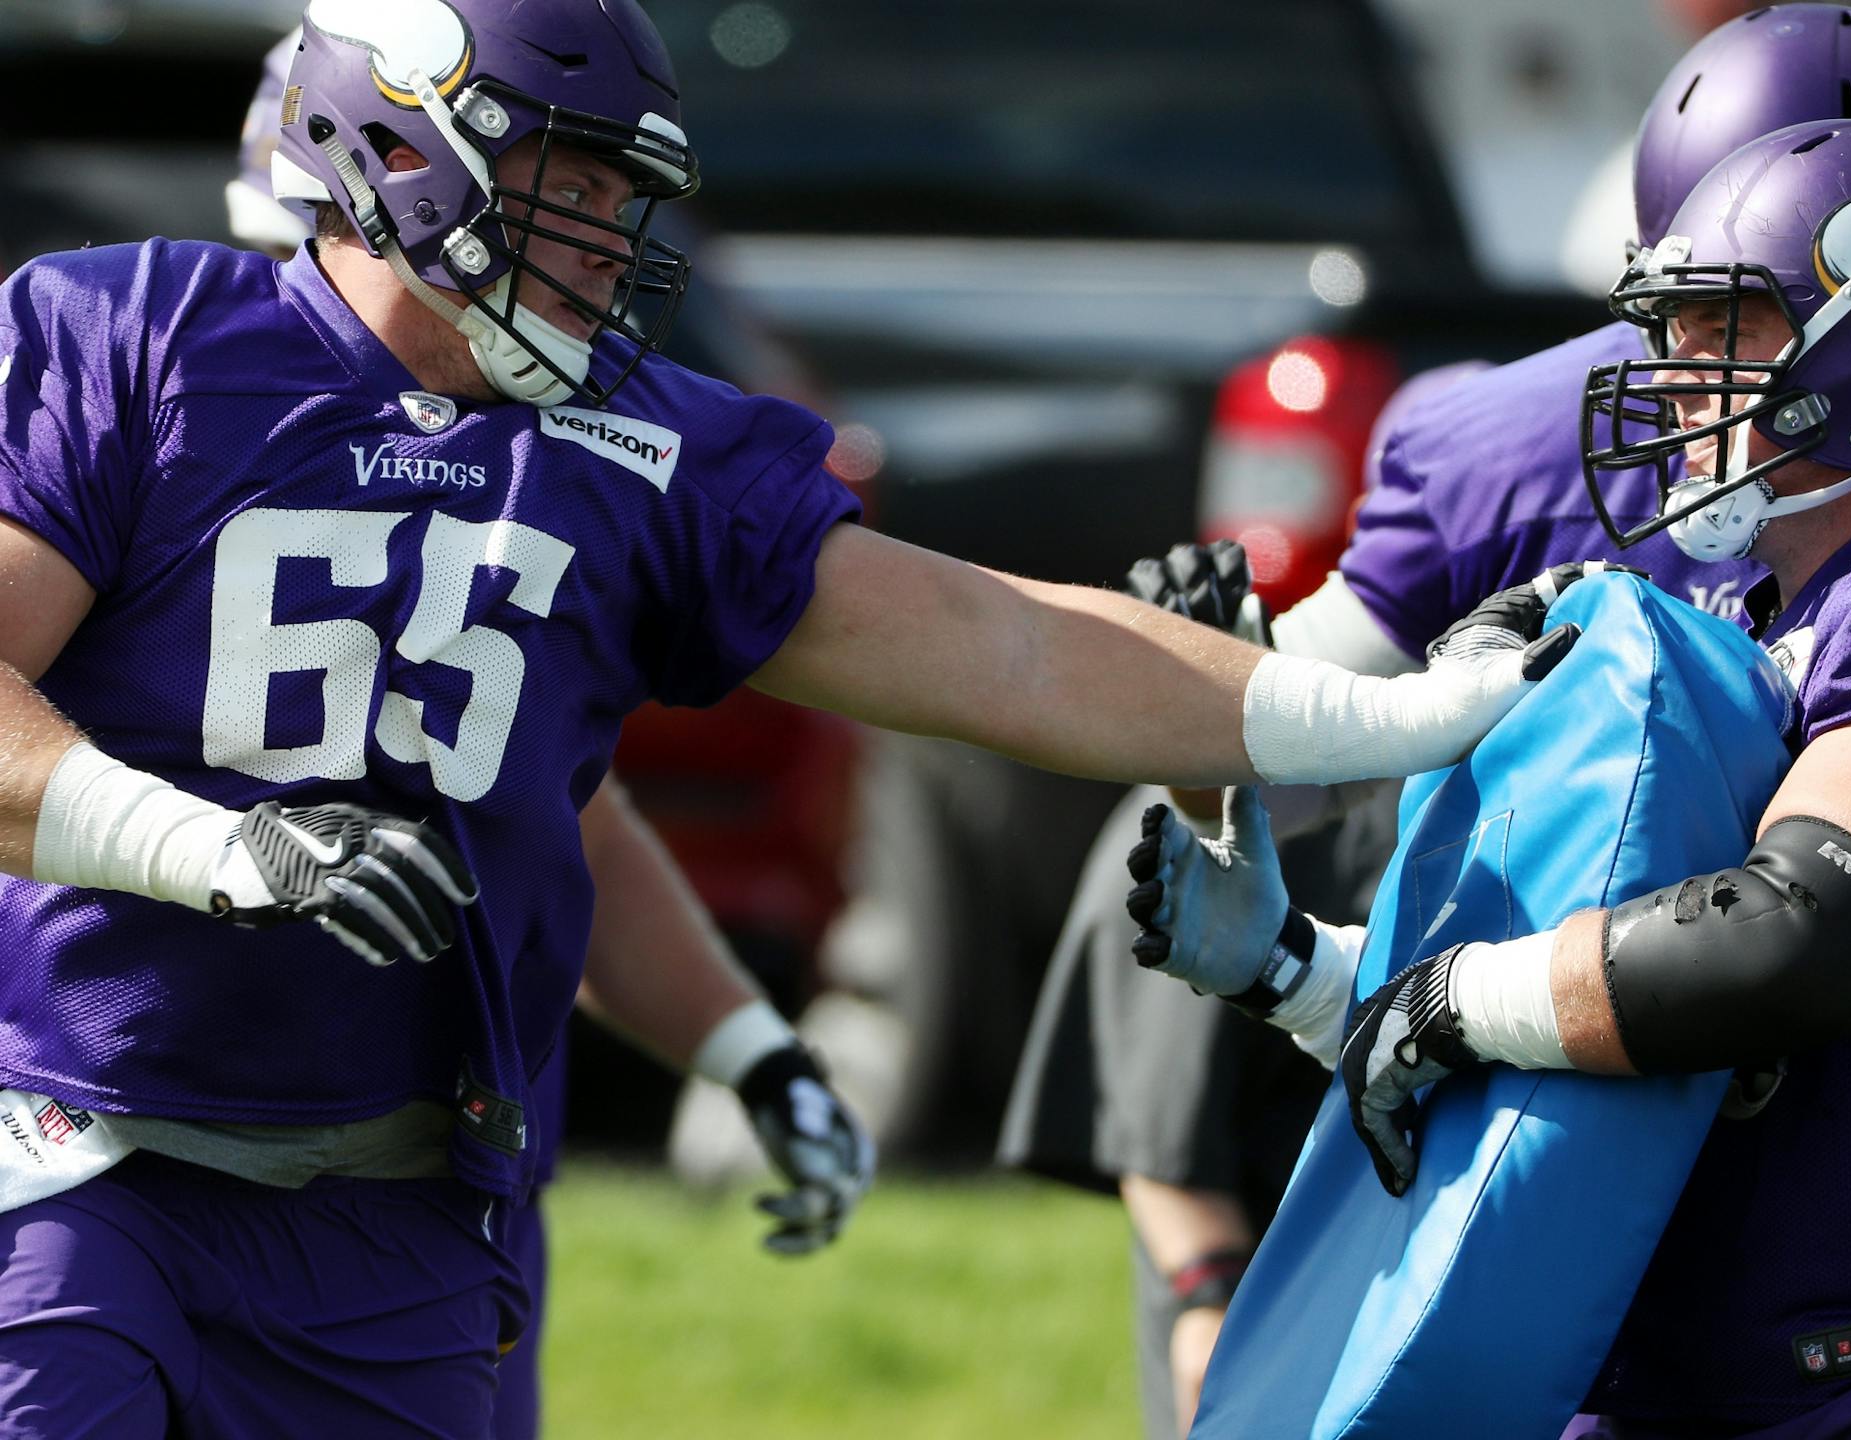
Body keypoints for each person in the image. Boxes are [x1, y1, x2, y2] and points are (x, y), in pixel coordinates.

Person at [0, 1, 1564, 1430]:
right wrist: (215, 851)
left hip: (399, 1213)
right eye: (574, 174)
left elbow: (1001, 643)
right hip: (72, 1155)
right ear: (396, 144)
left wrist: (1391, 716)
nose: (611, 234)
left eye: (632, 191)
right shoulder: (131, 342)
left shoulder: (637, 445)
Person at [1007, 7, 1851, 1432]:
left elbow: (1797, 935)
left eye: (1724, 328)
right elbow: (1608, 976)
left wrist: (1457, 997)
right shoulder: (1746, 620)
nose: (1673, 376)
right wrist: (1310, 976)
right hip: (1697, 1355)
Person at [216, 34, 876, 1438]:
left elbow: (566, 815)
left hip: (436, 1184)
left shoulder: (557, 448)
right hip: (127, 1155)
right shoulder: (152, 418)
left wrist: (749, 1047)